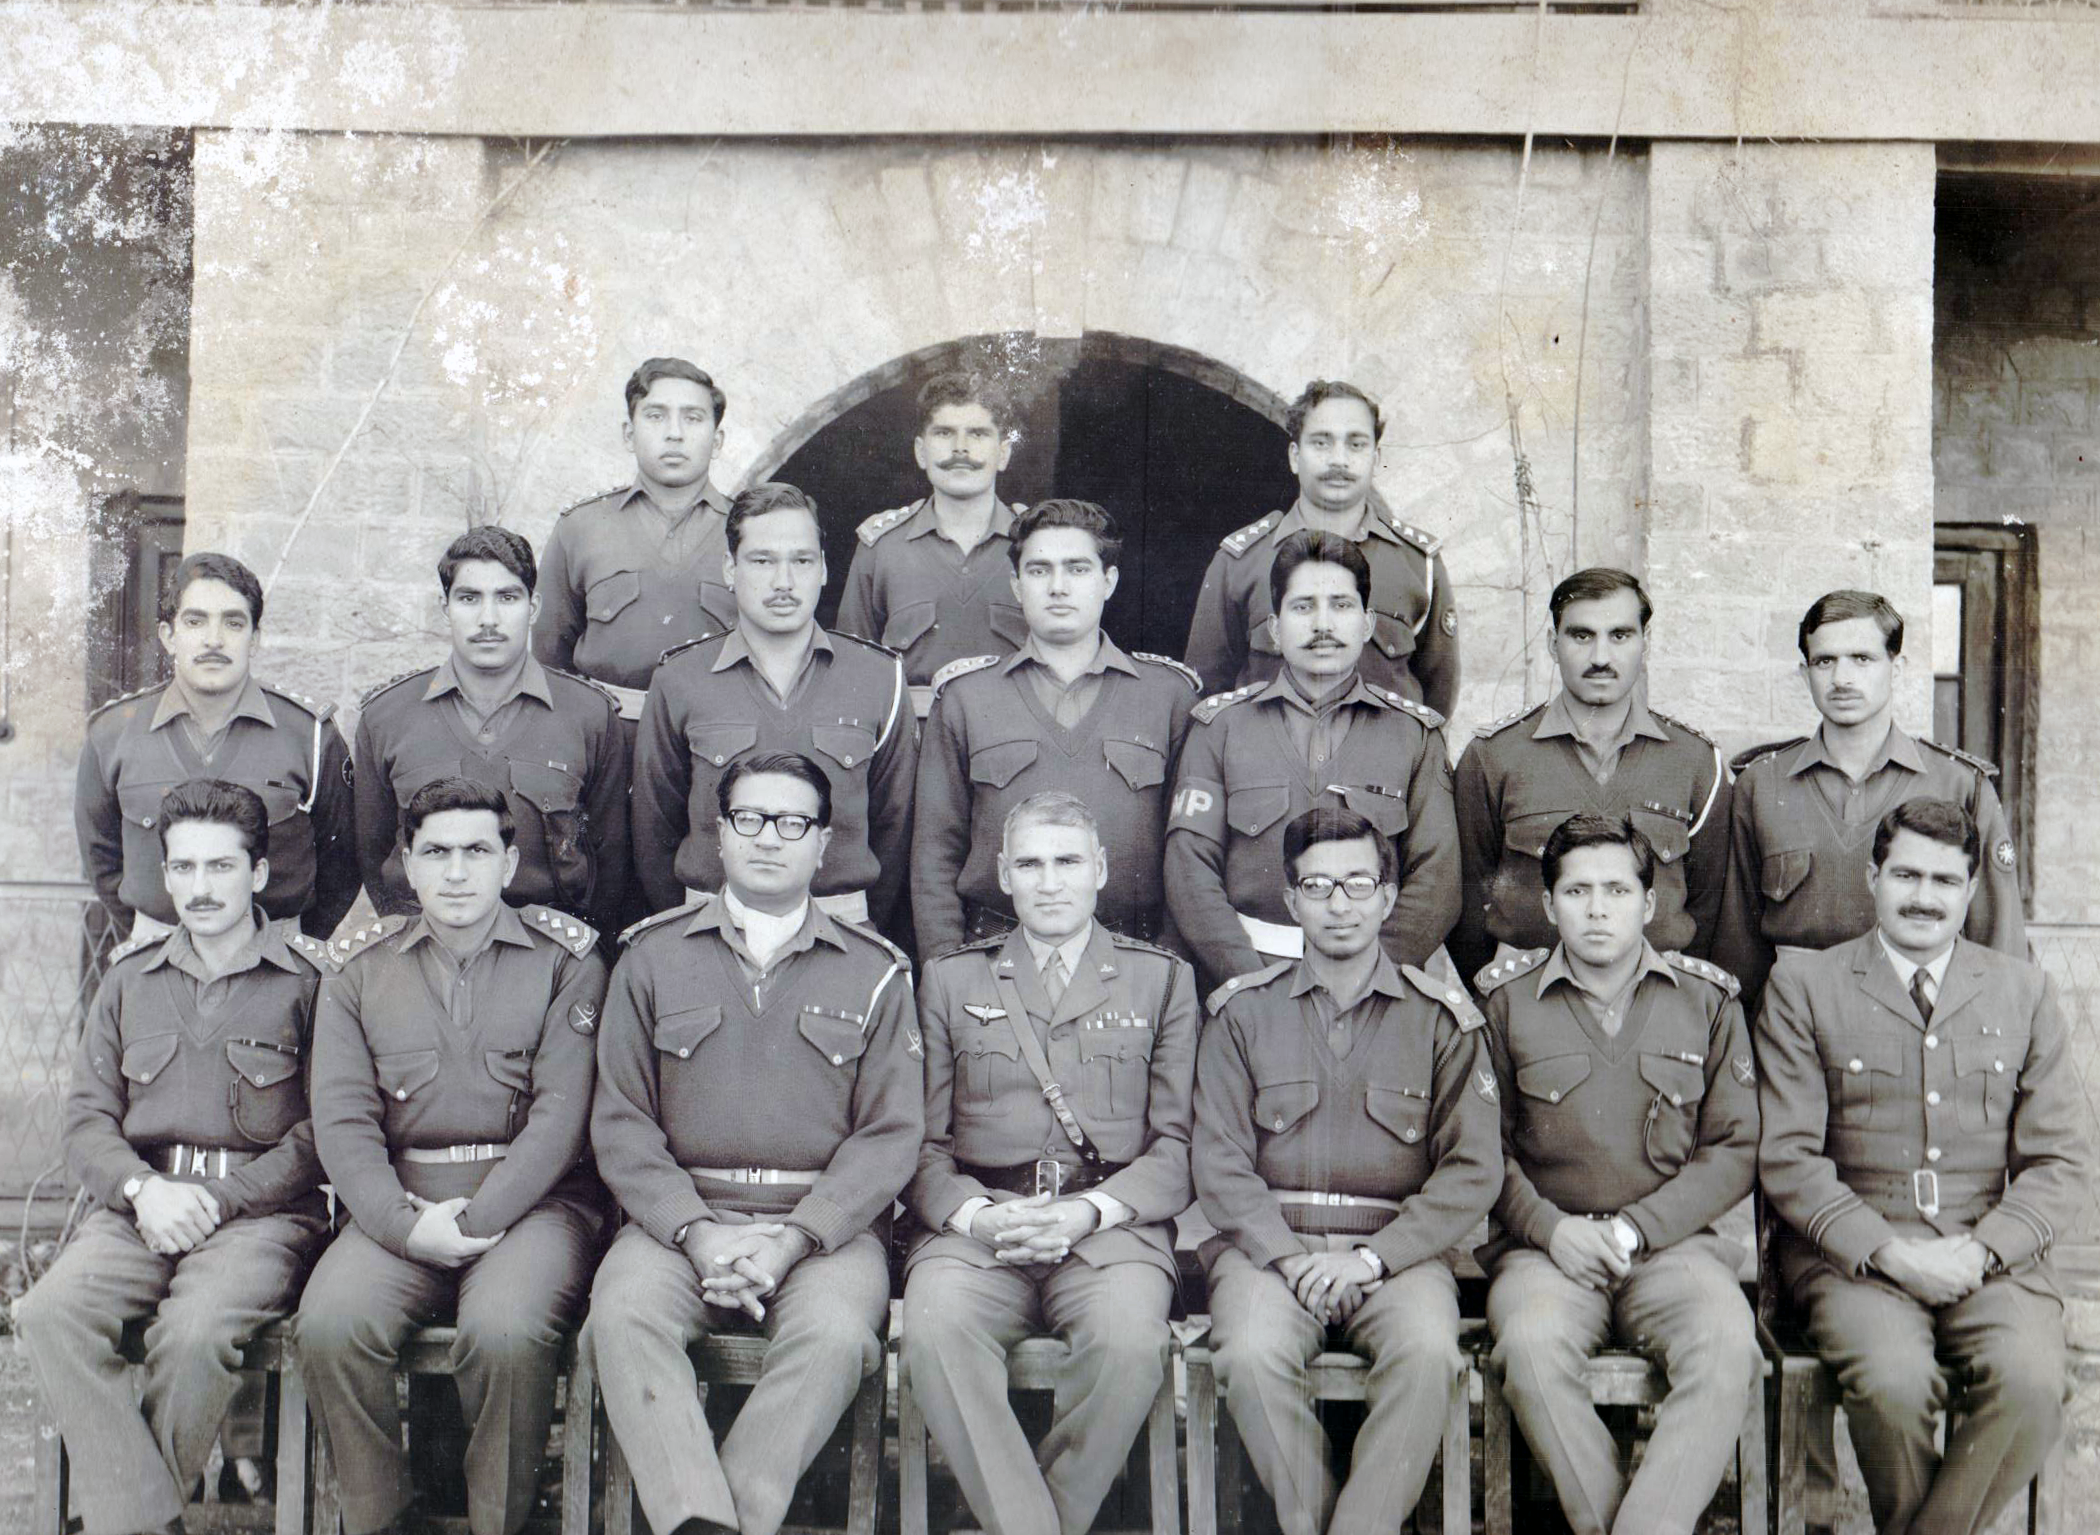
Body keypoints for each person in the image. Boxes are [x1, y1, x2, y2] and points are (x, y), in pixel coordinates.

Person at [583, 752, 922, 1535]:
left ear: (824, 843)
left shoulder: (876, 972)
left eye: (792, 821)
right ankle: (699, 1517)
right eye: (750, 818)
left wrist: (794, 1238)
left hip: (821, 1230)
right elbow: (622, 1121)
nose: (770, 836)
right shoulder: (650, 958)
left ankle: (730, 1515)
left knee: (836, 1335)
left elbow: (889, 1133)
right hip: (680, 1221)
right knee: (624, 1315)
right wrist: (699, 1233)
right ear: (721, 836)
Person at [1756, 797, 2086, 1535]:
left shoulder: (2023, 989)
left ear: (1972, 891)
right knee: (1896, 1381)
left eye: (1945, 880)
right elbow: (1788, 1155)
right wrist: (1892, 1252)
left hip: (1988, 1252)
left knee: (2034, 1382)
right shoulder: (1806, 985)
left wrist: (1985, 1247)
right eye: (1905, 874)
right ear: (1873, 876)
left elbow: (2061, 1157)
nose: (1923, 897)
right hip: (1857, 1257)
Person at [16, 780, 331, 1535]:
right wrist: (141, 1189)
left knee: (194, 1334)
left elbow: (323, 1132)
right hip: (139, 1207)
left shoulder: (312, 983)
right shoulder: (128, 980)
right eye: (183, 868)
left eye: (220, 867)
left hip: (258, 1217)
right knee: (49, 1312)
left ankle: (119, 1518)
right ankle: (151, 1518)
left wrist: (220, 1201)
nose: (199, 887)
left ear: (258, 873)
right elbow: (88, 1122)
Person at [296, 777, 606, 1535]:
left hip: (533, 1207)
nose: (457, 871)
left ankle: (501, 1518)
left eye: (477, 850)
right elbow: (342, 1121)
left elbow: (562, 1116)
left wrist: (478, 1215)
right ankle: (381, 1518)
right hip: (399, 1206)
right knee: (332, 1323)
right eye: (436, 852)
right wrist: (405, 1227)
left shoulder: (567, 960)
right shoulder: (357, 970)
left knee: (503, 1329)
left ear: (509, 861)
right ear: (406, 863)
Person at [1193, 807, 1501, 1535]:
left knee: (1428, 1353)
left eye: (1359, 884)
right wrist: (1289, 1257)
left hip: (1396, 1253)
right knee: (1251, 1352)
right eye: (1319, 886)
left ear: (1389, 897)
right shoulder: (1243, 1014)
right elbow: (1220, 1159)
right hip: (1273, 1250)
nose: (1340, 904)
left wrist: (1372, 1258)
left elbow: (1472, 1168)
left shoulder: (1441, 1021)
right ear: (1291, 899)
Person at [904, 791, 1199, 1535]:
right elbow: (921, 1144)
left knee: (1131, 1340)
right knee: (936, 1328)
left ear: (1100, 869)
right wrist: (981, 1216)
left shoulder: (1161, 980)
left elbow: (1177, 1148)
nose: (1050, 880)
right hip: (981, 1227)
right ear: (1003, 874)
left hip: (1108, 1226)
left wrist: (1083, 1213)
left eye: (1068, 861)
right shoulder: (949, 980)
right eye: (1030, 863)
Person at [1476, 814, 1762, 1535]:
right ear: (1548, 906)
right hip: (1548, 1253)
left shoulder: (1708, 1001)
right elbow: (1481, 1150)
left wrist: (1639, 1228)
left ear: (1649, 902)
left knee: (1728, 1343)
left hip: (1672, 1248)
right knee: (1532, 1349)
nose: (1597, 908)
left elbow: (1734, 1146)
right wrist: (1552, 1228)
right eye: (1576, 891)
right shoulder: (1502, 1005)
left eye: (1615, 889)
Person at [1165, 530, 1459, 992]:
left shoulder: (1415, 737)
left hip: (1378, 988)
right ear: (1276, 629)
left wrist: (1369, 978)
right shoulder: (1219, 729)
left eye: (1341, 605)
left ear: (1366, 625)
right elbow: (1189, 870)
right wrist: (1248, 981)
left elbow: (1438, 879)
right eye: (1303, 607)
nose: (1323, 624)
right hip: (1247, 982)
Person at [1714, 588, 2025, 1016]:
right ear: (1805, 674)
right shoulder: (1762, 785)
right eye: (1825, 661)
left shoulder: (1958, 784)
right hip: (1796, 1023)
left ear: (1897, 669)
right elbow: (1738, 952)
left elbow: (1999, 944)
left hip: (1920, 1018)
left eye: (1862, 659)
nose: (1842, 679)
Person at [912, 499, 1198, 953]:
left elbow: (1191, 860)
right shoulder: (967, 697)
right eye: (1040, 570)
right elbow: (934, 856)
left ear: (1109, 581)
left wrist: (1170, 973)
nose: (1058, 587)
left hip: (1137, 959)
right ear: (1016, 585)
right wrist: (947, 973)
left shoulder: (1168, 696)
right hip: (993, 957)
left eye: (1078, 569)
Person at [632, 482, 916, 934]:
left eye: (801, 560)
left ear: (823, 569)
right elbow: (654, 833)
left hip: (842, 936)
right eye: (762, 561)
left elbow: (894, 829)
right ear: (730, 568)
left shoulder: (879, 678)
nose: (783, 582)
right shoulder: (679, 680)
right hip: (708, 933)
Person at [1450, 567, 1728, 985]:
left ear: (1645, 644)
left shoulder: (1695, 761)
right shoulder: (1494, 756)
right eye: (1582, 635)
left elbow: (1711, 907)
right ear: (1552, 644)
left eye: (1620, 635)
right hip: (1529, 1003)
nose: (1601, 657)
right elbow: (1468, 898)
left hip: (1659, 998)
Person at [355, 526, 632, 935]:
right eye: (469, 598)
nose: (488, 619)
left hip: (552, 957)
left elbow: (610, 863)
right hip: (424, 950)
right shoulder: (388, 716)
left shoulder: (589, 715)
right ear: (444, 606)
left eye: (507, 597)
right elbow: (374, 856)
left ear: (533, 607)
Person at [76, 551, 357, 941]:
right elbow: (102, 862)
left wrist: (287, 950)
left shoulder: (309, 736)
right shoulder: (112, 734)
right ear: (168, 636)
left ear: (255, 638)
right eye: (195, 621)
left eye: (233, 622)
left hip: (275, 965)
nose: (213, 639)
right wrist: (156, 937)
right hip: (155, 959)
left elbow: (342, 866)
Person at [1183, 379, 1457, 716]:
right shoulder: (1241, 562)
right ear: (1295, 457)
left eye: (1356, 444)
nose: (1339, 459)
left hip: (1383, 765)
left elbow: (1437, 697)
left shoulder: (1417, 564)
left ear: (1376, 458)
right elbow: (1207, 692)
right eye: (1321, 443)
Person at [531, 357, 737, 718]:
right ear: (629, 434)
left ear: (717, 440)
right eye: (656, 416)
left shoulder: (748, 529)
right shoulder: (581, 527)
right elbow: (551, 660)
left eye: (693, 417)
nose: (674, 433)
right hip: (608, 733)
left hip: (718, 733)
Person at [836, 371, 1028, 715]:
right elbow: (853, 673)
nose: (960, 448)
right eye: (944, 433)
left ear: (1003, 453)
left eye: (978, 434)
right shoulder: (882, 548)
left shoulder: (1036, 545)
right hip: (914, 743)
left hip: (1014, 741)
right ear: (921, 452)